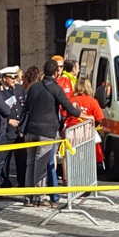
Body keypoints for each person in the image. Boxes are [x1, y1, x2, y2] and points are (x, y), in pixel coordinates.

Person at [22, 60, 91, 208]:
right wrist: (85, 116)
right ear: (55, 73)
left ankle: (28, 196)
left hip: (31, 130)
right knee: (40, 164)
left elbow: (25, 109)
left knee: (30, 163)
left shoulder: (33, 88)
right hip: (46, 131)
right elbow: (68, 107)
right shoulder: (56, 88)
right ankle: (39, 197)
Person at [0, 66, 27, 188]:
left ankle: (22, 183)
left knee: (22, 159)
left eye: (16, 77)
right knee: (5, 160)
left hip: (19, 131)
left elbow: (24, 107)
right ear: (5, 79)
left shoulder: (20, 89)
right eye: (12, 77)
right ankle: (5, 183)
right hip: (7, 131)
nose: (15, 79)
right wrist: (8, 120)